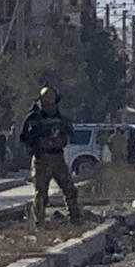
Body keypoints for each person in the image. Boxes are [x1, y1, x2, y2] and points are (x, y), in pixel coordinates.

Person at [18, 86, 81, 225]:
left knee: (70, 189)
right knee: (41, 195)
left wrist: (61, 140)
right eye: (47, 102)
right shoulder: (34, 118)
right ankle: (39, 222)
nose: (50, 106)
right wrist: (38, 143)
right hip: (41, 159)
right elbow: (24, 137)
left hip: (58, 157)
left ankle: (75, 218)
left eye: (52, 102)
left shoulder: (61, 118)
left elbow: (70, 133)